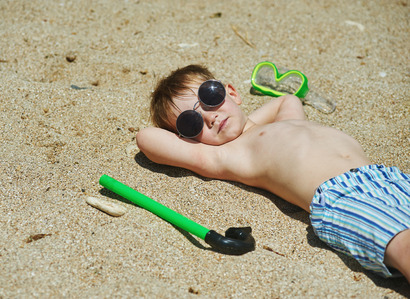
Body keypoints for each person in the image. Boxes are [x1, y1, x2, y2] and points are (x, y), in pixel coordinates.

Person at [135, 64, 410, 281]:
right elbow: (146, 138)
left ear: (231, 92)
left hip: (386, 177)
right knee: (404, 247)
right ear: (190, 138)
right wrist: (193, 136)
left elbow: (286, 100)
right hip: (340, 196)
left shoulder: (286, 121)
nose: (210, 116)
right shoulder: (223, 155)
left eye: (210, 96)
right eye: (191, 121)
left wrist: (251, 120)